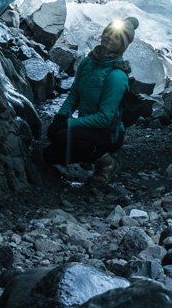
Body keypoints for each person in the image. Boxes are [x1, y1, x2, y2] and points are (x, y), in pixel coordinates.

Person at [42, 16, 139, 183]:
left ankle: (105, 162)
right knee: (52, 138)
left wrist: (70, 124)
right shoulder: (88, 62)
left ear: (122, 46)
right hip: (89, 125)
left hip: (107, 132)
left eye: (116, 37)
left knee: (64, 137)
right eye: (108, 32)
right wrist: (62, 116)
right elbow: (74, 94)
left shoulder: (116, 76)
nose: (109, 37)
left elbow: (104, 117)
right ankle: (86, 154)